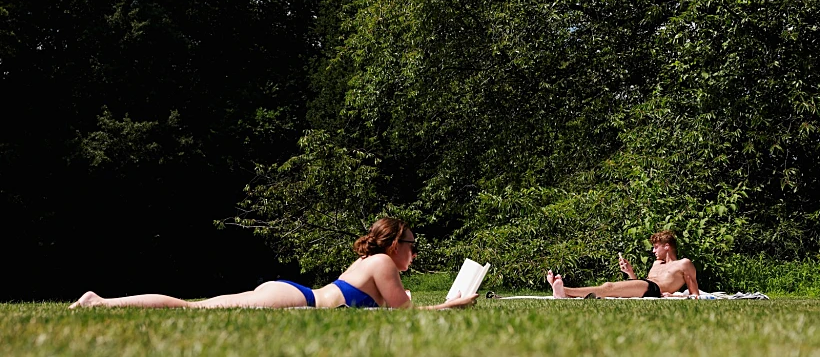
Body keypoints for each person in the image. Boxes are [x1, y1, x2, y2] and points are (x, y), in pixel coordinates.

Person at [69, 217, 479, 310]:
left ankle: (102, 301)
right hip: (297, 301)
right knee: (192, 307)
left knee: (196, 306)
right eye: (411, 244)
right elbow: (405, 316)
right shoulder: (383, 264)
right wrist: (454, 305)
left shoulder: (376, 264)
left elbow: (390, 307)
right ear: (395, 245)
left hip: (292, 294)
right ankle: (100, 302)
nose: (414, 252)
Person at [547, 230, 700, 299]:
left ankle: (564, 289)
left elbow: (695, 295)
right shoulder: (656, 264)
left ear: (667, 246)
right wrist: (630, 272)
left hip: (654, 289)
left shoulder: (684, 263)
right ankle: (563, 292)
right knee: (608, 289)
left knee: (608, 287)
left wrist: (674, 296)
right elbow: (640, 285)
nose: (653, 251)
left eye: (656, 247)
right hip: (648, 288)